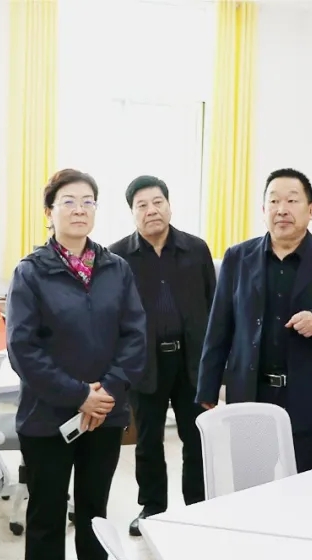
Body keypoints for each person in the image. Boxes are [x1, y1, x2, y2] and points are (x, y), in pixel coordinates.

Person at [5, 168, 148, 560]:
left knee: (94, 511)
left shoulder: (116, 268)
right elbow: (23, 350)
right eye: (69, 201)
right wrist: (78, 395)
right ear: (50, 212)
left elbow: (134, 335)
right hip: (48, 418)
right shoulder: (31, 272)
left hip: (105, 415)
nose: (80, 209)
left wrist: (106, 393)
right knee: (47, 516)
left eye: (88, 201)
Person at [197, 168, 312, 472]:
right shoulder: (238, 257)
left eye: (292, 200)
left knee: (307, 483)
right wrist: (208, 386)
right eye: (274, 201)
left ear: (311, 210)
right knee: (252, 480)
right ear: (263, 210)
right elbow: (219, 326)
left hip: (310, 395)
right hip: (251, 394)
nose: (282, 209)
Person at [110, 175, 216, 536]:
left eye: (158, 202)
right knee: (148, 440)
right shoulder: (117, 257)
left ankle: (197, 506)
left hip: (192, 362)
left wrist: (216, 367)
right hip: (145, 363)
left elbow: (214, 306)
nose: (151, 210)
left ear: (169, 206)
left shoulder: (196, 249)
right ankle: (152, 508)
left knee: (195, 437)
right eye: (142, 205)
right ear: (132, 213)